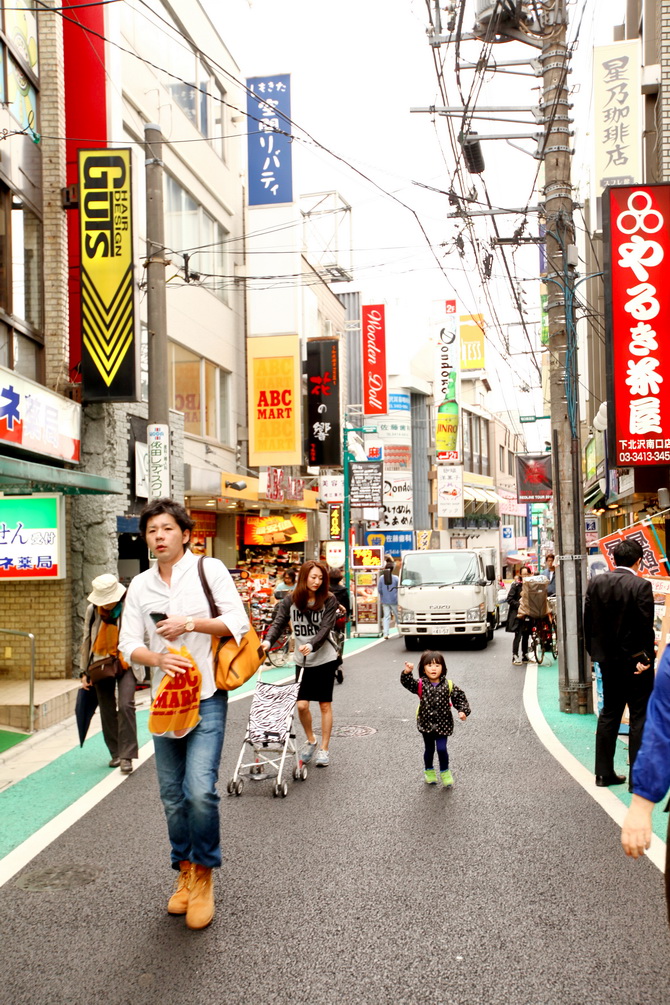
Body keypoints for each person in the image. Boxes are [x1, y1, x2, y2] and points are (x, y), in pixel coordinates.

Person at [119, 497, 249, 931]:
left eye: (166, 529)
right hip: (164, 701)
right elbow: (127, 645)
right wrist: (155, 661)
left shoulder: (208, 570)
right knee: (172, 797)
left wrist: (189, 624)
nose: (158, 536)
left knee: (199, 790)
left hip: (208, 695)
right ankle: (185, 870)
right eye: (152, 530)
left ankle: (205, 875)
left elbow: (239, 623)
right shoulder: (139, 586)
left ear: (186, 534)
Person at [584, 538, 655, 788]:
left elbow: (588, 622)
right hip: (636, 664)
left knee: (609, 714)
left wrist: (594, 652)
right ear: (639, 560)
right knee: (639, 717)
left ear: (613, 559)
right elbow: (644, 627)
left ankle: (603, 773)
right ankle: (638, 779)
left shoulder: (596, 583)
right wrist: (645, 657)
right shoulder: (641, 585)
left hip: (607, 661)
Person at [262, 560, 340, 767]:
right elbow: (278, 623)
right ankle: (311, 740)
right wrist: (267, 642)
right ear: (303, 577)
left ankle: (324, 748)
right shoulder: (291, 600)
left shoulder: (329, 600)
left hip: (324, 658)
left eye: (320, 578)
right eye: (313, 577)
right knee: (302, 705)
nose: (317, 581)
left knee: (324, 705)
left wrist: (313, 645)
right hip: (302, 661)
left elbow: (325, 628)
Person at [620, 644, 670, 924]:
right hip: (637, 664)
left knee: (616, 714)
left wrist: (642, 803)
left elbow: (664, 720)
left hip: (618, 664)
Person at [79, 574, 142, 774]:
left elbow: (143, 635)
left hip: (126, 661)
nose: (105, 605)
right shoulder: (93, 610)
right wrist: (84, 671)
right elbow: (87, 639)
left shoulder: (130, 608)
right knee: (106, 709)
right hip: (100, 663)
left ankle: (127, 756)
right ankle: (115, 753)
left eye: (108, 601)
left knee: (126, 705)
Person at [400, 650, 471, 788]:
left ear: (443, 668)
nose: (433, 668)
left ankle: (445, 772)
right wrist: (407, 672)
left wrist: (462, 711)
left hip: (443, 724)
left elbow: (459, 697)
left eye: (437, 665)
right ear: (423, 669)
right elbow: (407, 683)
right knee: (429, 749)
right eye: (429, 665)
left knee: (442, 748)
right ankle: (429, 771)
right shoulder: (420, 684)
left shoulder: (448, 685)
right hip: (426, 723)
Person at [505, 566, 534, 665]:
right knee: (518, 635)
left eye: (527, 574)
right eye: (523, 574)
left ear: (530, 574)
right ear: (520, 575)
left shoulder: (531, 585)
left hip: (528, 614)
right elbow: (509, 599)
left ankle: (525, 655)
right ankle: (515, 655)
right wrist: (520, 605)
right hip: (518, 615)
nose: (525, 576)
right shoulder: (516, 586)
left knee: (526, 635)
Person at [328, 566, 351, 684]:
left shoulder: (326, 590)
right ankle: (338, 656)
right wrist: (347, 616)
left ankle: (329, 659)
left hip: (327, 618)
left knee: (327, 639)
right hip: (339, 619)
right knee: (340, 638)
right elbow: (347, 604)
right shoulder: (343, 590)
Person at [378, 556, 399, 640]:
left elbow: (379, 589)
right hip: (394, 600)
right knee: (397, 616)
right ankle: (400, 631)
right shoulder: (396, 578)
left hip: (385, 600)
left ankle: (386, 633)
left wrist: (383, 595)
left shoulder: (381, 578)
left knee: (386, 616)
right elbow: (398, 589)